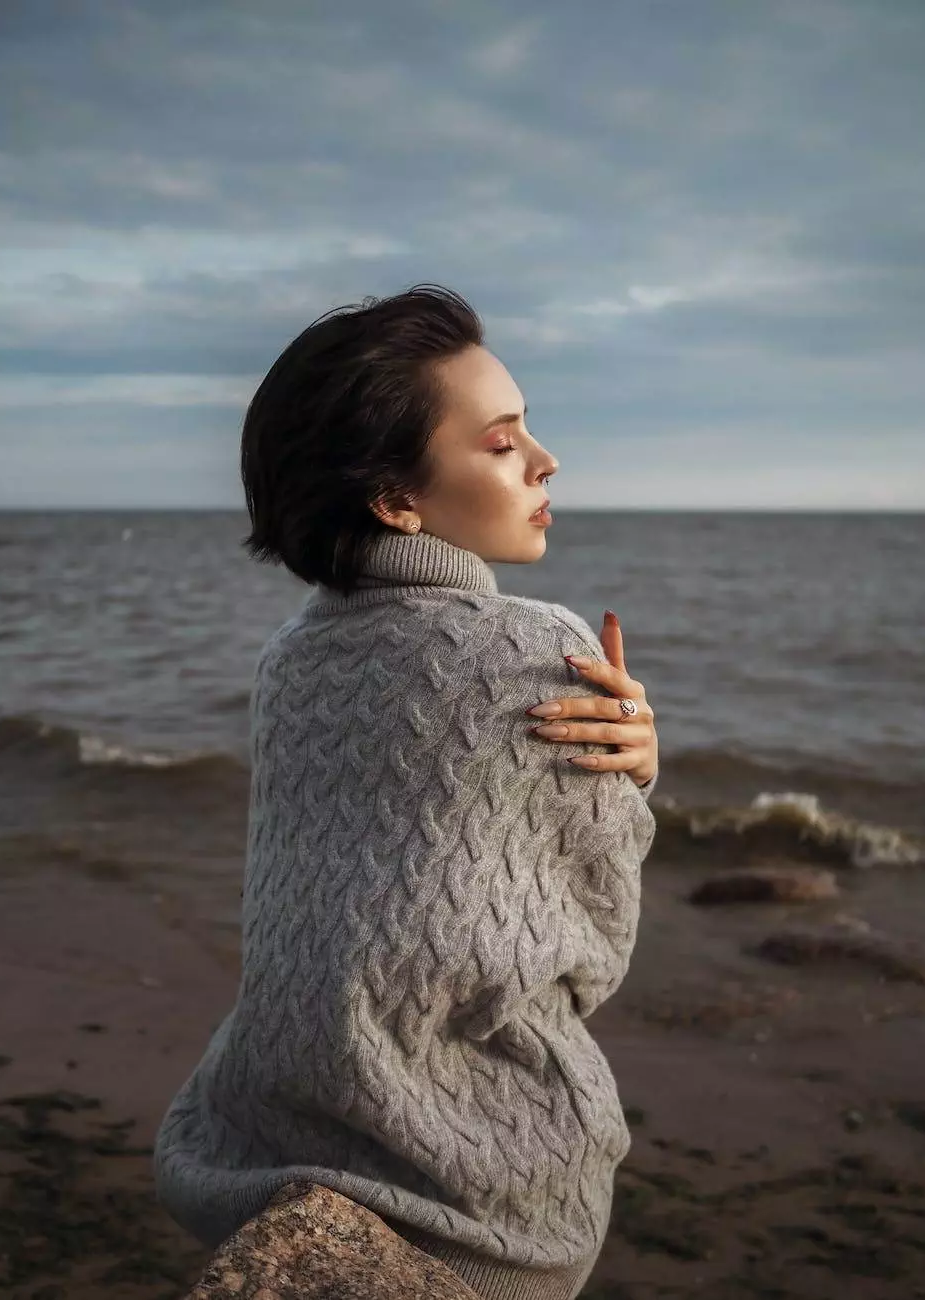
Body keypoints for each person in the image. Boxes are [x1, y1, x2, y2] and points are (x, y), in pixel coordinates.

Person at [153, 285, 660, 1300]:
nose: (545, 460)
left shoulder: (290, 655)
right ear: (394, 496)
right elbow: (595, 948)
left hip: (251, 1143)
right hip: (488, 1194)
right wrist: (639, 776)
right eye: (504, 442)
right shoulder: (536, 647)